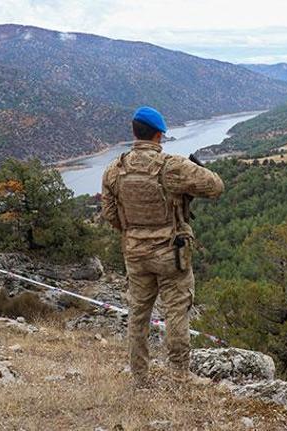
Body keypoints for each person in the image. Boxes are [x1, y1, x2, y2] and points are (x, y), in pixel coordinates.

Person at [101, 106, 224, 387]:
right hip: (171, 253)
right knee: (176, 311)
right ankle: (179, 374)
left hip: (135, 253)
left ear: (134, 132)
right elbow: (216, 187)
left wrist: (133, 232)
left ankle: (140, 377)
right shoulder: (172, 166)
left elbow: (109, 214)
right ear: (159, 135)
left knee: (138, 314)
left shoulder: (114, 169)